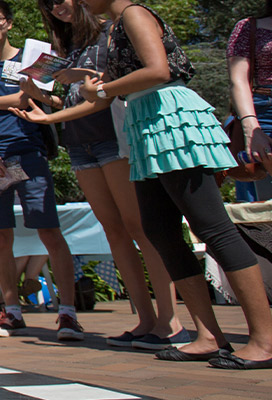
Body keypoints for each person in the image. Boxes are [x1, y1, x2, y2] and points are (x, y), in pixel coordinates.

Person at [77, 0, 272, 369]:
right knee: (160, 231)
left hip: (170, 119)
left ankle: (265, 339)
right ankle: (209, 335)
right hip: (145, 122)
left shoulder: (134, 13)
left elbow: (157, 70)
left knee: (213, 226)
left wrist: (103, 90)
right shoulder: (116, 24)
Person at [8, 0, 188, 350]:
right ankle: (146, 321)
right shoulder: (64, 47)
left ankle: (171, 321)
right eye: (49, 4)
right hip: (79, 143)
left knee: (139, 227)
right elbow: (72, 102)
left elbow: (113, 87)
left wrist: (56, 108)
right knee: (114, 231)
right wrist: (39, 97)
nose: (57, 7)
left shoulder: (112, 32)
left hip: (114, 138)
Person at [0, 0, 83, 341]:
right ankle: (11, 310)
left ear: (9, 23)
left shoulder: (35, 58)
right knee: (0, 234)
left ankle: (68, 313)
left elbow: (33, 99)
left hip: (30, 152)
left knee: (49, 230)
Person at [229, 0, 272, 198]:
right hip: (264, 115)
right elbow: (239, 81)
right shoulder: (248, 27)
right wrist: (251, 130)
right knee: (266, 204)